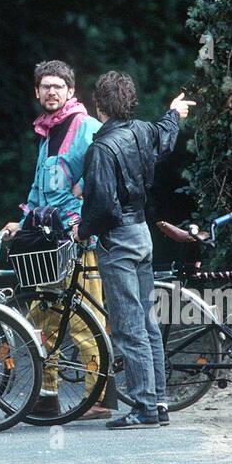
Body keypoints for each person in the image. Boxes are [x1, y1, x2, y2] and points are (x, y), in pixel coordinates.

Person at [77, 71, 193, 429]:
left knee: (129, 327)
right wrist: (174, 112)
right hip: (142, 232)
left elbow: (102, 206)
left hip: (118, 240)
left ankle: (143, 406)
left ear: (99, 104)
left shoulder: (101, 148)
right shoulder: (142, 130)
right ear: (129, 102)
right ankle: (158, 402)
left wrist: (82, 230)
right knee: (147, 321)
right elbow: (164, 136)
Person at [1, 60, 113, 421]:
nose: (51, 92)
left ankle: (98, 397)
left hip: (80, 241)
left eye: (58, 86)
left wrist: (88, 195)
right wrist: (21, 222)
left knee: (86, 320)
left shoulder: (88, 127)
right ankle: (47, 394)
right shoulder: (48, 132)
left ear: (70, 91)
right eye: (45, 86)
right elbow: (38, 190)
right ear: (37, 92)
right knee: (41, 316)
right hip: (48, 242)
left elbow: (112, 168)